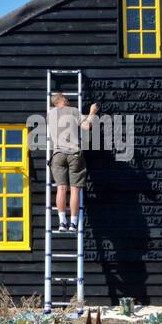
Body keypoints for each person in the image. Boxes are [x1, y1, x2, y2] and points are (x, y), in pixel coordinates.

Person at [47, 92, 98, 232]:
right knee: (75, 190)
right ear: (62, 99)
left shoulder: (50, 114)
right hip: (74, 154)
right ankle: (73, 223)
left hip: (57, 155)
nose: (68, 99)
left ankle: (62, 222)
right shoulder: (73, 111)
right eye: (66, 97)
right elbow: (87, 126)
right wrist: (92, 112)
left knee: (61, 188)